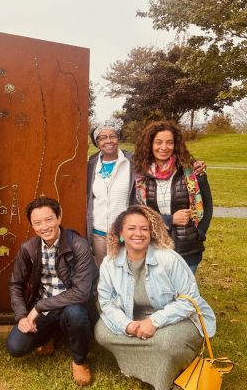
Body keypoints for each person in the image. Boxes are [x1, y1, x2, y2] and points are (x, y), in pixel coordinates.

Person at [95, 204, 216, 390]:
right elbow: (106, 302)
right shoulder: (109, 263)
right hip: (135, 319)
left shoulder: (168, 258)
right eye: (131, 228)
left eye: (145, 229)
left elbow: (189, 300)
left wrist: (155, 321)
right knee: (101, 332)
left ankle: (169, 372)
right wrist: (127, 325)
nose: (139, 233)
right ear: (120, 233)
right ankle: (151, 361)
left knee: (166, 342)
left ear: (151, 233)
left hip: (177, 319)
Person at [6, 197, 98, 387]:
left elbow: (81, 292)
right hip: (47, 310)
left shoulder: (79, 246)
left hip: (73, 306)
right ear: (32, 225)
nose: (44, 227)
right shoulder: (28, 248)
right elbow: (15, 284)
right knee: (16, 347)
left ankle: (79, 360)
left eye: (49, 220)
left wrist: (38, 307)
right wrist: (22, 316)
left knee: (75, 313)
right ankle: (52, 335)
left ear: (59, 217)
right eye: (37, 223)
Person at [133, 121, 213, 273]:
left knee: (183, 295)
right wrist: (170, 219)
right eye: (158, 142)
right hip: (153, 246)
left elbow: (208, 206)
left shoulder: (192, 170)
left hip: (188, 249)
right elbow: (137, 213)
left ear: (175, 145)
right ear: (150, 144)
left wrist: (200, 233)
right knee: (158, 294)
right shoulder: (140, 175)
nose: (164, 147)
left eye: (169, 142)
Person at [87, 122, 135, 265]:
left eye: (112, 136)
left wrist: (193, 166)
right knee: (102, 275)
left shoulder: (132, 162)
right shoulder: (91, 165)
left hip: (123, 232)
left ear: (118, 138)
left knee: (125, 273)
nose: (108, 141)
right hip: (98, 235)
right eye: (102, 138)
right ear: (97, 142)